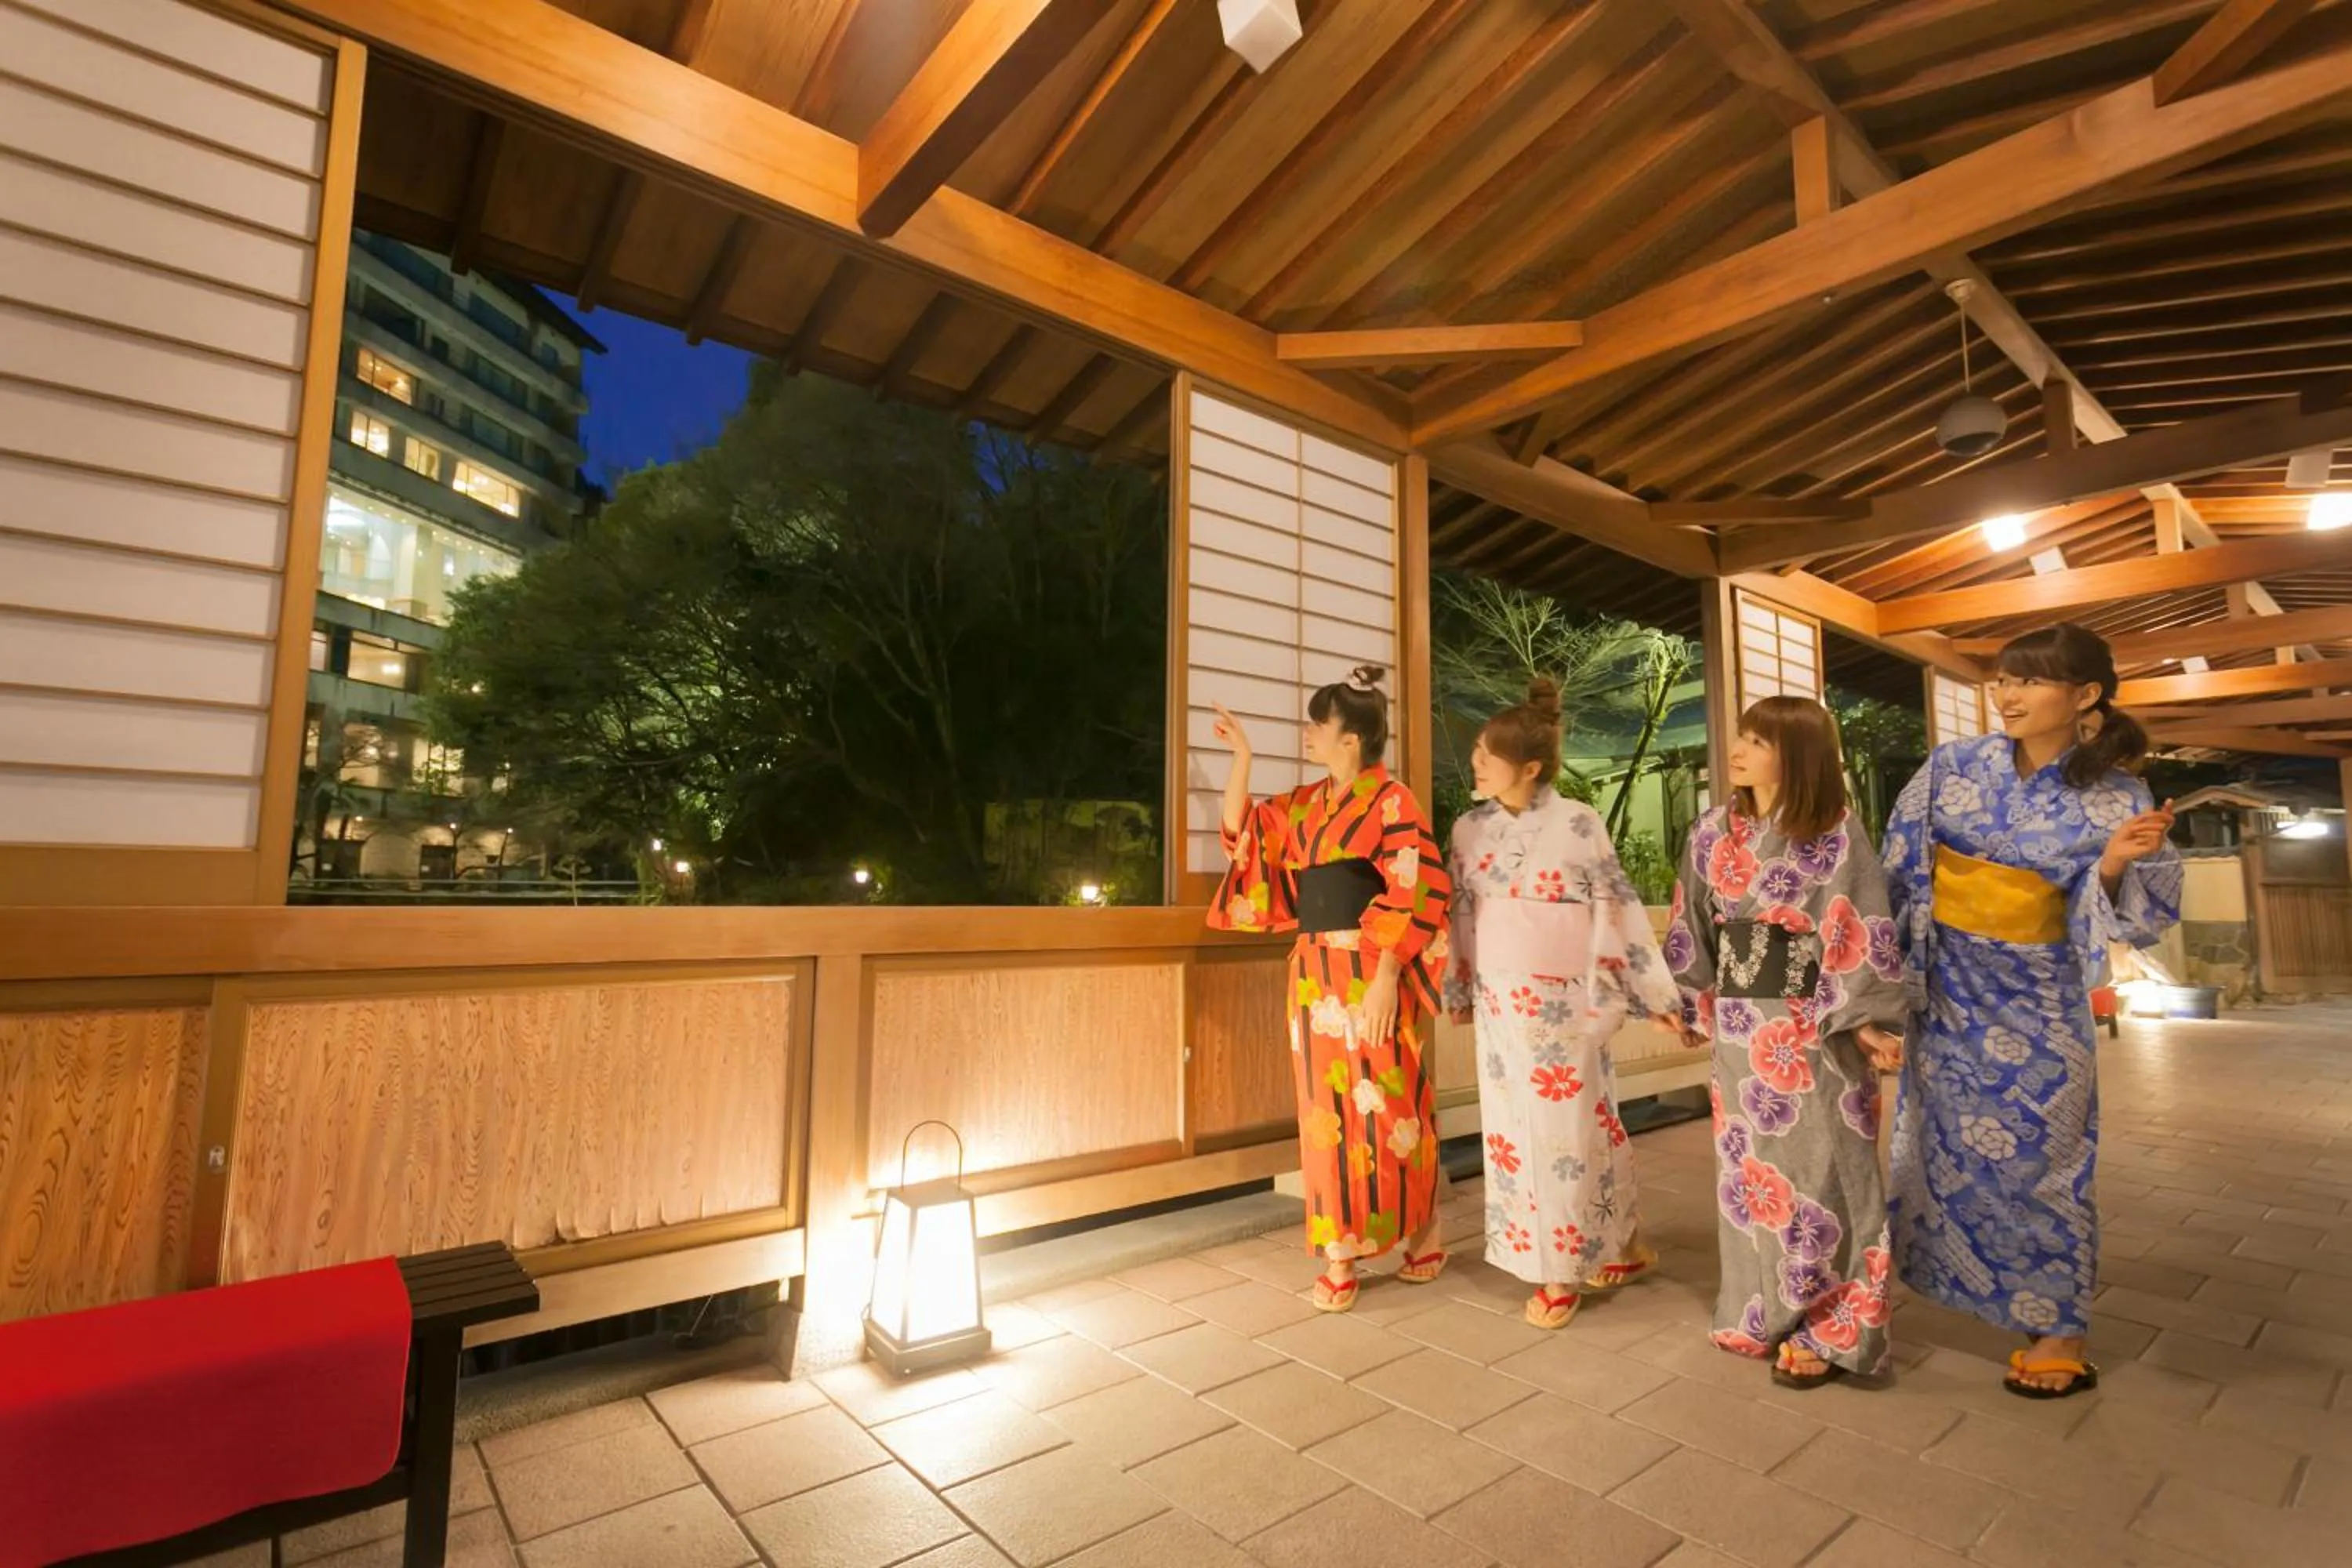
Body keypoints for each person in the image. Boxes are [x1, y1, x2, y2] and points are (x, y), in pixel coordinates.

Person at [1885, 623, 2180, 1399]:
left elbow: (2142, 920)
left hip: (2041, 1006)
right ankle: (1944, 1278)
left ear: (2085, 695)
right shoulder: (1952, 767)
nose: (2007, 695)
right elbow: (1896, 869)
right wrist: (1881, 990)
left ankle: (2060, 1325)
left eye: (2030, 681)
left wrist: (2114, 864)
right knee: (1934, 1153)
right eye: (2002, 679)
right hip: (1946, 993)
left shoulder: (2119, 793)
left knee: (2046, 1165)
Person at [1664, 695, 1908, 1387]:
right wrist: (1684, 997)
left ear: (1797, 755)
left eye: (1758, 741)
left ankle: (1836, 1328)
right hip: (1744, 1033)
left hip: (1813, 1026)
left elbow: (1858, 922)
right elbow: (1695, 926)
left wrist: (1866, 1018)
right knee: (1752, 1179)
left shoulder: (1835, 829)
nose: (1737, 749)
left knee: (1830, 1172)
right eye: (1739, 736)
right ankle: (1761, 1310)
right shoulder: (1712, 831)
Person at [1205, 666, 1451, 1312]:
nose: (1309, 733)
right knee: (1325, 1117)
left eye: (1320, 723)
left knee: (1393, 1106)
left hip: (1373, 969)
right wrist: (1242, 758)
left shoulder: (1393, 801)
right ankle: (1340, 1251)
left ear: (1353, 739)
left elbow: (1415, 887)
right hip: (1315, 975)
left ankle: (1421, 1230)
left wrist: (1389, 975)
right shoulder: (1308, 804)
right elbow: (1244, 837)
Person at [1444, 679, 1682, 1329]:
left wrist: (1654, 994)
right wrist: (1461, 985)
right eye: (1476, 753)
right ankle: (1617, 1242)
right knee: (1515, 1135)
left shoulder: (1578, 821)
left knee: (1569, 1133)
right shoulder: (1469, 829)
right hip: (1501, 1004)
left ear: (1529, 766)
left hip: (1564, 1004)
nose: (1476, 764)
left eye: (1487, 755)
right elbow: (1462, 912)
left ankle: (1561, 1270)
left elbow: (1616, 907)